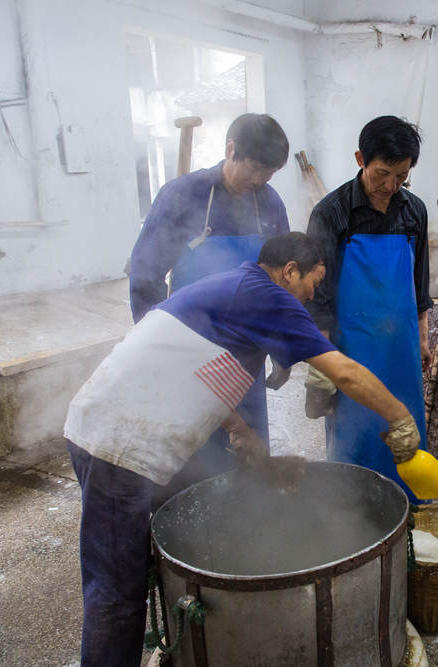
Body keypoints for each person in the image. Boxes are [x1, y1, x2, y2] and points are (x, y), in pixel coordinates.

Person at [64, 232, 421, 666]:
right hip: (117, 446)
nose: (313, 295)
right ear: (290, 271)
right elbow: (344, 373)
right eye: (313, 282)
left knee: (146, 559)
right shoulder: (267, 296)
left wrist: (250, 444)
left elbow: (201, 375)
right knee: (118, 593)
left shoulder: (235, 288)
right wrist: (401, 418)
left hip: (112, 431)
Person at [127, 113, 291, 501]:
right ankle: (192, 522)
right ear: (230, 150)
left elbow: (284, 279)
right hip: (190, 351)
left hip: (247, 356)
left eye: (268, 174)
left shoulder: (269, 203)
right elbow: (146, 276)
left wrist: (283, 348)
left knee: (248, 449)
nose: (259, 181)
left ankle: (253, 518)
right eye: (254, 169)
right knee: (195, 454)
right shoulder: (182, 196)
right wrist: (157, 342)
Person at [303, 115, 432, 500]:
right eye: (382, 174)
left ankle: (408, 513)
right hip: (351, 351)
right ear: (361, 159)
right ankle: (351, 515)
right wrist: (321, 366)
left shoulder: (414, 211)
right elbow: (318, 296)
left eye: (402, 176)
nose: (390, 187)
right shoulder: (331, 213)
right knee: (354, 440)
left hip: (400, 351)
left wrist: (423, 338)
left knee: (404, 435)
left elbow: (419, 284)